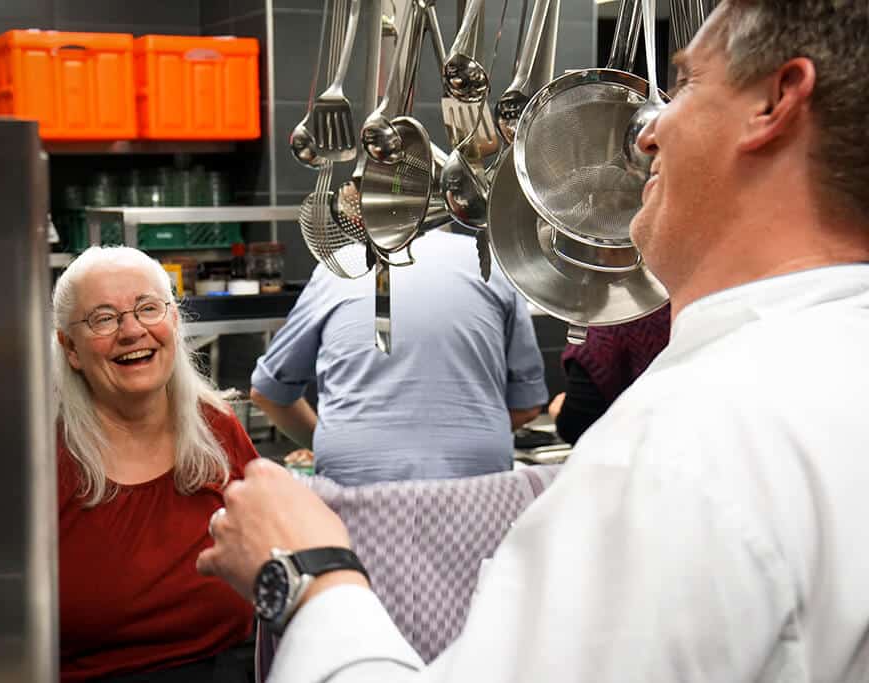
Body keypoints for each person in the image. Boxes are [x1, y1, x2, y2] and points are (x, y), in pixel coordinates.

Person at [197, 1, 869, 680]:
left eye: (688, 83)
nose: (649, 130)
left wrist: (306, 571)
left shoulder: (686, 447)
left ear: (775, 102)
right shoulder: (833, 369)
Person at [52, 246, 258, 682]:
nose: (132, 331)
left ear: (174, 322)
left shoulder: (218, 429)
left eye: (148, 308)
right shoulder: (45, 458)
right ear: (70, 348)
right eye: (104, 318)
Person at [249, 228, 549, 485]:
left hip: (355, 486)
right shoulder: (490, 262)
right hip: (477, 488)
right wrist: (459, 439)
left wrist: (340, 444)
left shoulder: (341, 267)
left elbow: (269, 393)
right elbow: (527, 405)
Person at [548, 305, 671, 444]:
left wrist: (558, 412)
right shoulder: (683, 314)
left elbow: (577, 426)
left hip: (633, 450)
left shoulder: (606, 328)